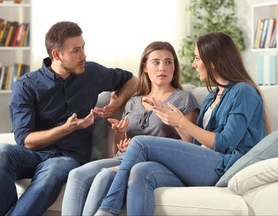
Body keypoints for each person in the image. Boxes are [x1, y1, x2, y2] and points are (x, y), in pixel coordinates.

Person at [95, 32, 271, 216]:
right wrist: (175, 122)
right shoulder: (212, 96)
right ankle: (118, 189)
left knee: (140, 142)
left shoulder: (243, 91)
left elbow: (225, 143)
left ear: (213, 60)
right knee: (140, 171)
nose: (194, 64)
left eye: (197, 58)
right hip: (204, 162)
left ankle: (107, 210)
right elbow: (196, 144)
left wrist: (183, 123)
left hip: (224, 165)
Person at [0, 21, 139, 216]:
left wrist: (118, 102)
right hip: (34, 154)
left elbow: (132, 79)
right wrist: (66, 128)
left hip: (68, 157)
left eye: (83, 47)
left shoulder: (91, 72)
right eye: (76, 51)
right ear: (56, 54)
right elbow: (25, 141)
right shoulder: (26, 85)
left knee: (52, 170)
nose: (83, 56)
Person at [61, 41, 199, 216]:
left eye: (168, 62)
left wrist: (174, 121)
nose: (162, 67)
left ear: (174, 67)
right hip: (123, 160)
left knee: (104, 177)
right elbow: (118, 150)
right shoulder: (133, 102)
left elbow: (190, 144)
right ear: (145, 67)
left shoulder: (184, 98)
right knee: (77, 174)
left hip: (155, 164)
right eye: (156, 62)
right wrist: (119, 134)